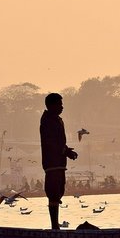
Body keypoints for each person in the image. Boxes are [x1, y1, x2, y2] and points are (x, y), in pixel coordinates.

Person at [40, 93, 79, 229]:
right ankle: (54, 226)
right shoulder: (47, 120)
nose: (62, 107)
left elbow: (58, 142)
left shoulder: (56, 120)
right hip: (52, 163)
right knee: (53, 194)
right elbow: (51, 143)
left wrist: (66, 150)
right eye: (59, 104)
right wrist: (66, 151)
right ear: (51, 105)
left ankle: (55, 225)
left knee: (58, 193)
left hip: (59, 163)